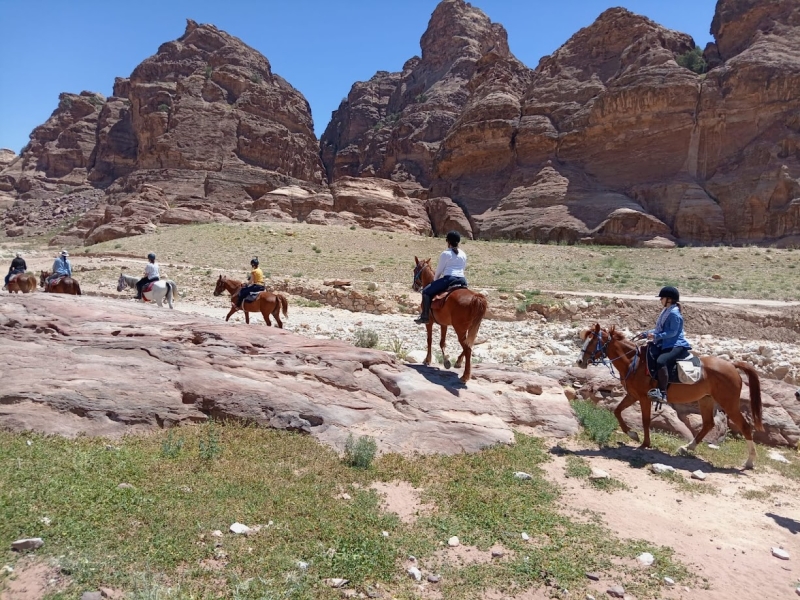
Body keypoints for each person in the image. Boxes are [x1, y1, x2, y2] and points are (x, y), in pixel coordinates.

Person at [643, 286, 692, 404]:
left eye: (662, 298)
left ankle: (663, 393)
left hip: (676, 344)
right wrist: (645, 334)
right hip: (667, 344)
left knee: (661, 361)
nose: (660, 300)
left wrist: (656, 336)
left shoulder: (674, 314)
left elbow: (673, 332)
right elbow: (659, 329)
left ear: (669, 299)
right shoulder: (667, 311)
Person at [415, 231, 467, 324]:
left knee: (426, 291)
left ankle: (425, 316)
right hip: (463, 280)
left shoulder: (445, 253)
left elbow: (439, 270)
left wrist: (434, 281)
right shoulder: (463, 254)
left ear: (448, 242)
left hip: (449, 279)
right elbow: (463, 268)